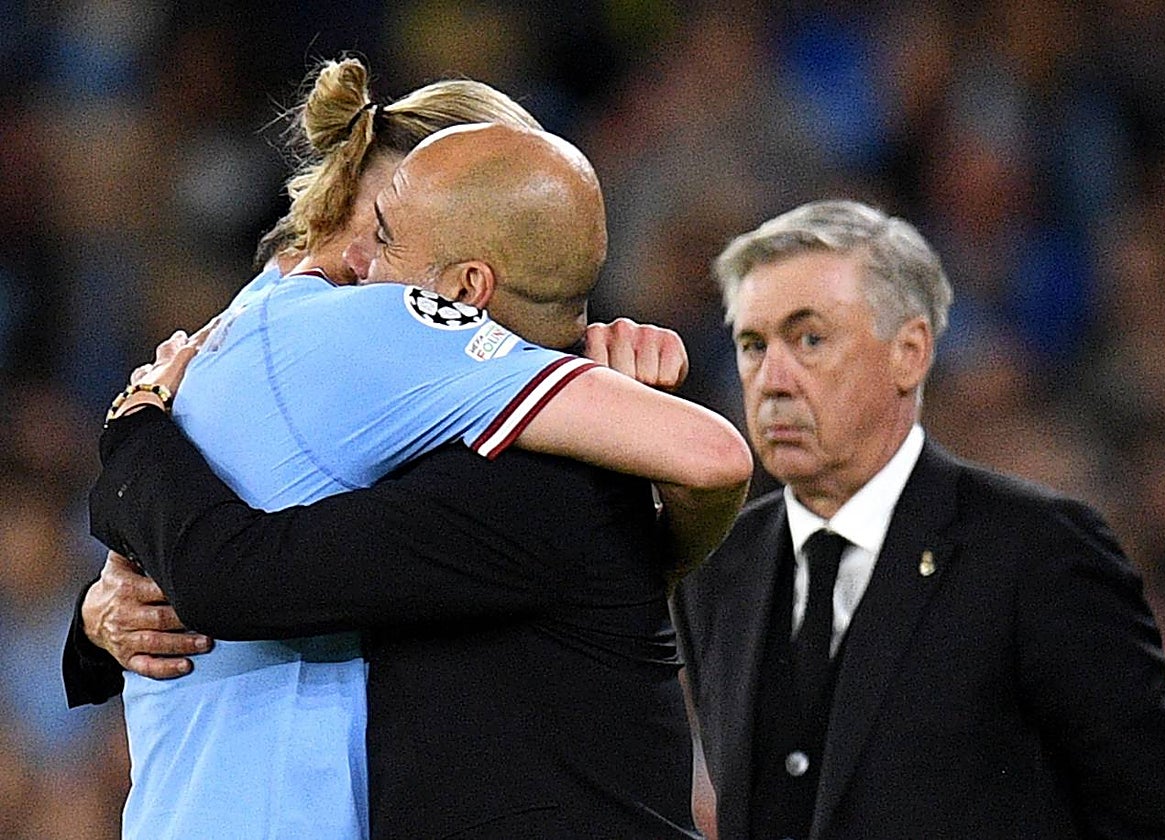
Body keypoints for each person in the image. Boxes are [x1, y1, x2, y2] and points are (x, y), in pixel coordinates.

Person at [67, 61, 750, 840]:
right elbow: (236, 569)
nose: (364, 268)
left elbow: (223, 568)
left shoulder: (276, 335)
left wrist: (130, 441)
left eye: (392, 238)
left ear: (465, 284)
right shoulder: (364, 339)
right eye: (382, 226)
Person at [672, 199, 1165, 839]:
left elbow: (1156, 815)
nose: (772, 379)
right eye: (752, 345)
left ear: (910, 353)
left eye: (810, 339)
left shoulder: (1039, 553)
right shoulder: (721, 569)